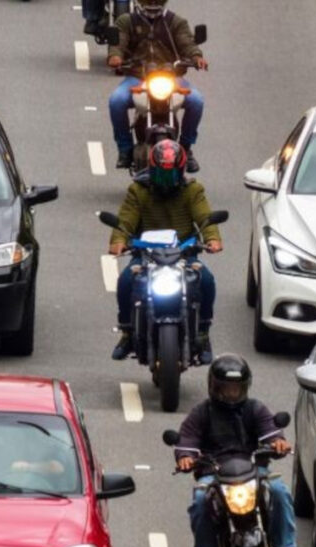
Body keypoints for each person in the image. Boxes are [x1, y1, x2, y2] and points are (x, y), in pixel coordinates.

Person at [174, 355, 298, 547]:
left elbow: (271, 431)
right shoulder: (201, 413)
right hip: (214, 472)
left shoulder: (255, 409)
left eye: (236, 388)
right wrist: (186, 456)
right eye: (226, 388)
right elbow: (188, 440)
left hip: (253, 470)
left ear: (245, 387)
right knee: (200, 500)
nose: (232, 393)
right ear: (214, 386)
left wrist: (278, 443)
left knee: (279, 491)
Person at [108, 139, 220, 362]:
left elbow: (205, 218)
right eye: (162, 174)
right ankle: (128, 332)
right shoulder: (138, 190)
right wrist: (119, 241)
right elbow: (126, 221)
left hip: (184, 255)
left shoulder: (193, 190)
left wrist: (213, 239)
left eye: (171, 174)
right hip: (147, 255)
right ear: (152, 170)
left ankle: (203, 333)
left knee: (206, 280)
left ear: (181, 171)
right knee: (126, 280)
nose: (167, 180)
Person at [107, 0, 208, 172]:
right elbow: (118, 43)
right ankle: (124, 149)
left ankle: (186, 147)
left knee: (196, 101)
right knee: (116, 101)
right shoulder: (126, 21)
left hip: (171, 78)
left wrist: (196, 57)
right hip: (137, 77)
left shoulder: (176, 22)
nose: (152, 2)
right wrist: (116, 56)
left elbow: (188, 44)